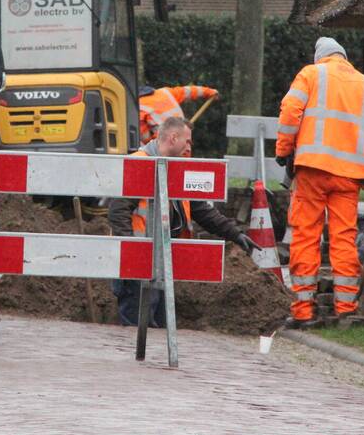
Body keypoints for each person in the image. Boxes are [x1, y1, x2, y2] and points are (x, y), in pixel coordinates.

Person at [275, 37, 364, 328]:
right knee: (344, 238)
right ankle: (346, 308)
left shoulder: (311, 74)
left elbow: (291, 113)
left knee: (306, 235)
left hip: (312, 171)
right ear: (344, 57)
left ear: (320, 57)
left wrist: (283, 151)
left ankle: (303, 311)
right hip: (349, 177)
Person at [108, 116, 258, 326]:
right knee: (136, 330)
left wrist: (235, 234)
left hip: (161, 263)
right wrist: (131, 251)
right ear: (173, 137)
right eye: (187, 141)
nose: (189, 147)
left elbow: (202, 210)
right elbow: (118, 211)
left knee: (157, 330)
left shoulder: (177, 169)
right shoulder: (140, 162)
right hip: (138, 265)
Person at [138, 84, 218, 143]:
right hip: (185, 138)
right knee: (183, 163)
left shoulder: (139, 105)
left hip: (165, 144)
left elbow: (145, 136)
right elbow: (189, 91)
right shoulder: (165, 92)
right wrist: (209, 92)